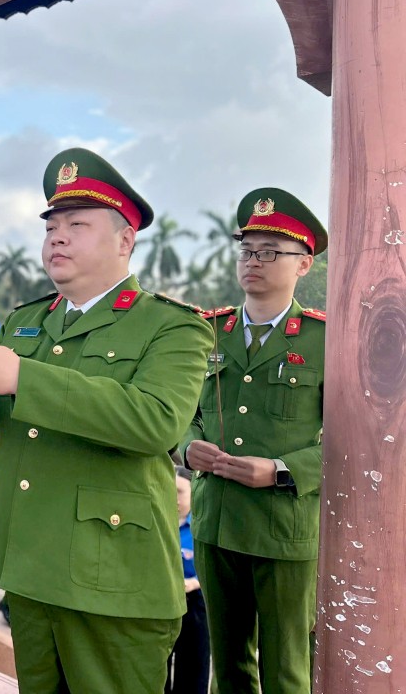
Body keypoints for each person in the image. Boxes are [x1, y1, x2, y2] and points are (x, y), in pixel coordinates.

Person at [0, 147, 214, 693]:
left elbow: (156, 422)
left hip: (112, 575)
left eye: (77, 225)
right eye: (52, 226)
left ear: (125, 240)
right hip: (28, 564)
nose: (57, 237)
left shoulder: (171, 327)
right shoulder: (27, 320)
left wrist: (21, 377)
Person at [181, 188, 326, 694]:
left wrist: (283, 470)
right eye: (247, 250)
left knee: (288, 669)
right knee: (231, 667)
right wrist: (187, 446)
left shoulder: (323, 340)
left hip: (283, 527)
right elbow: (184, 413)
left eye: (270, 252)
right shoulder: (206, 332)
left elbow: (355, 444)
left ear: (303, 264)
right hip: (215, 519)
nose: (253, 261)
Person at [166, 466, 209, 694]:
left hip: (195, 601)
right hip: (163, 601)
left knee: (193, 667)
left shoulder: (202, 526)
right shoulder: (160, 525)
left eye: (179, 492)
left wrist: (194, 583)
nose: (174, 499)